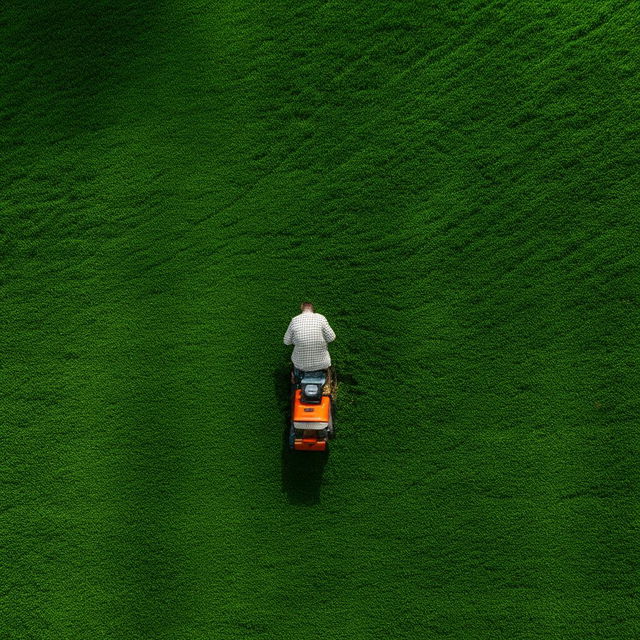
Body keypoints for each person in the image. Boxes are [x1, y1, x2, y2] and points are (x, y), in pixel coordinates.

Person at [283, 302, 336, 381]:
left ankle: (295, 385)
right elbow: (332, 337)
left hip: (300, 366)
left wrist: (296, 341)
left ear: (302, 308)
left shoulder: (295, 320)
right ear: (312, 309)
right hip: (322, 365)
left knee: (295, 382)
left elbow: (286, 342)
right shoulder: (321, 318)